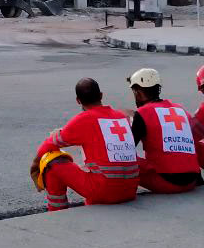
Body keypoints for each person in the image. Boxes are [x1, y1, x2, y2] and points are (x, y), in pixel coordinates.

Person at [31, 77, 139, 211]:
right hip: (130, 190)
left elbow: (50, 144)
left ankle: (56, 211)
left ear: (78, 100)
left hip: (104, 192)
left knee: (51, 162)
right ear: (101, 95)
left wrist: (35, 165)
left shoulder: (83, 120)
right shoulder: (121, 117)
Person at [126, 68, 202, 194]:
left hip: (165, 182)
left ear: (137, 92)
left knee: (121, 158)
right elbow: (195, 143)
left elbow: (127, 149)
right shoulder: (181, 109)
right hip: (192, 181)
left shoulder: (142, 113)